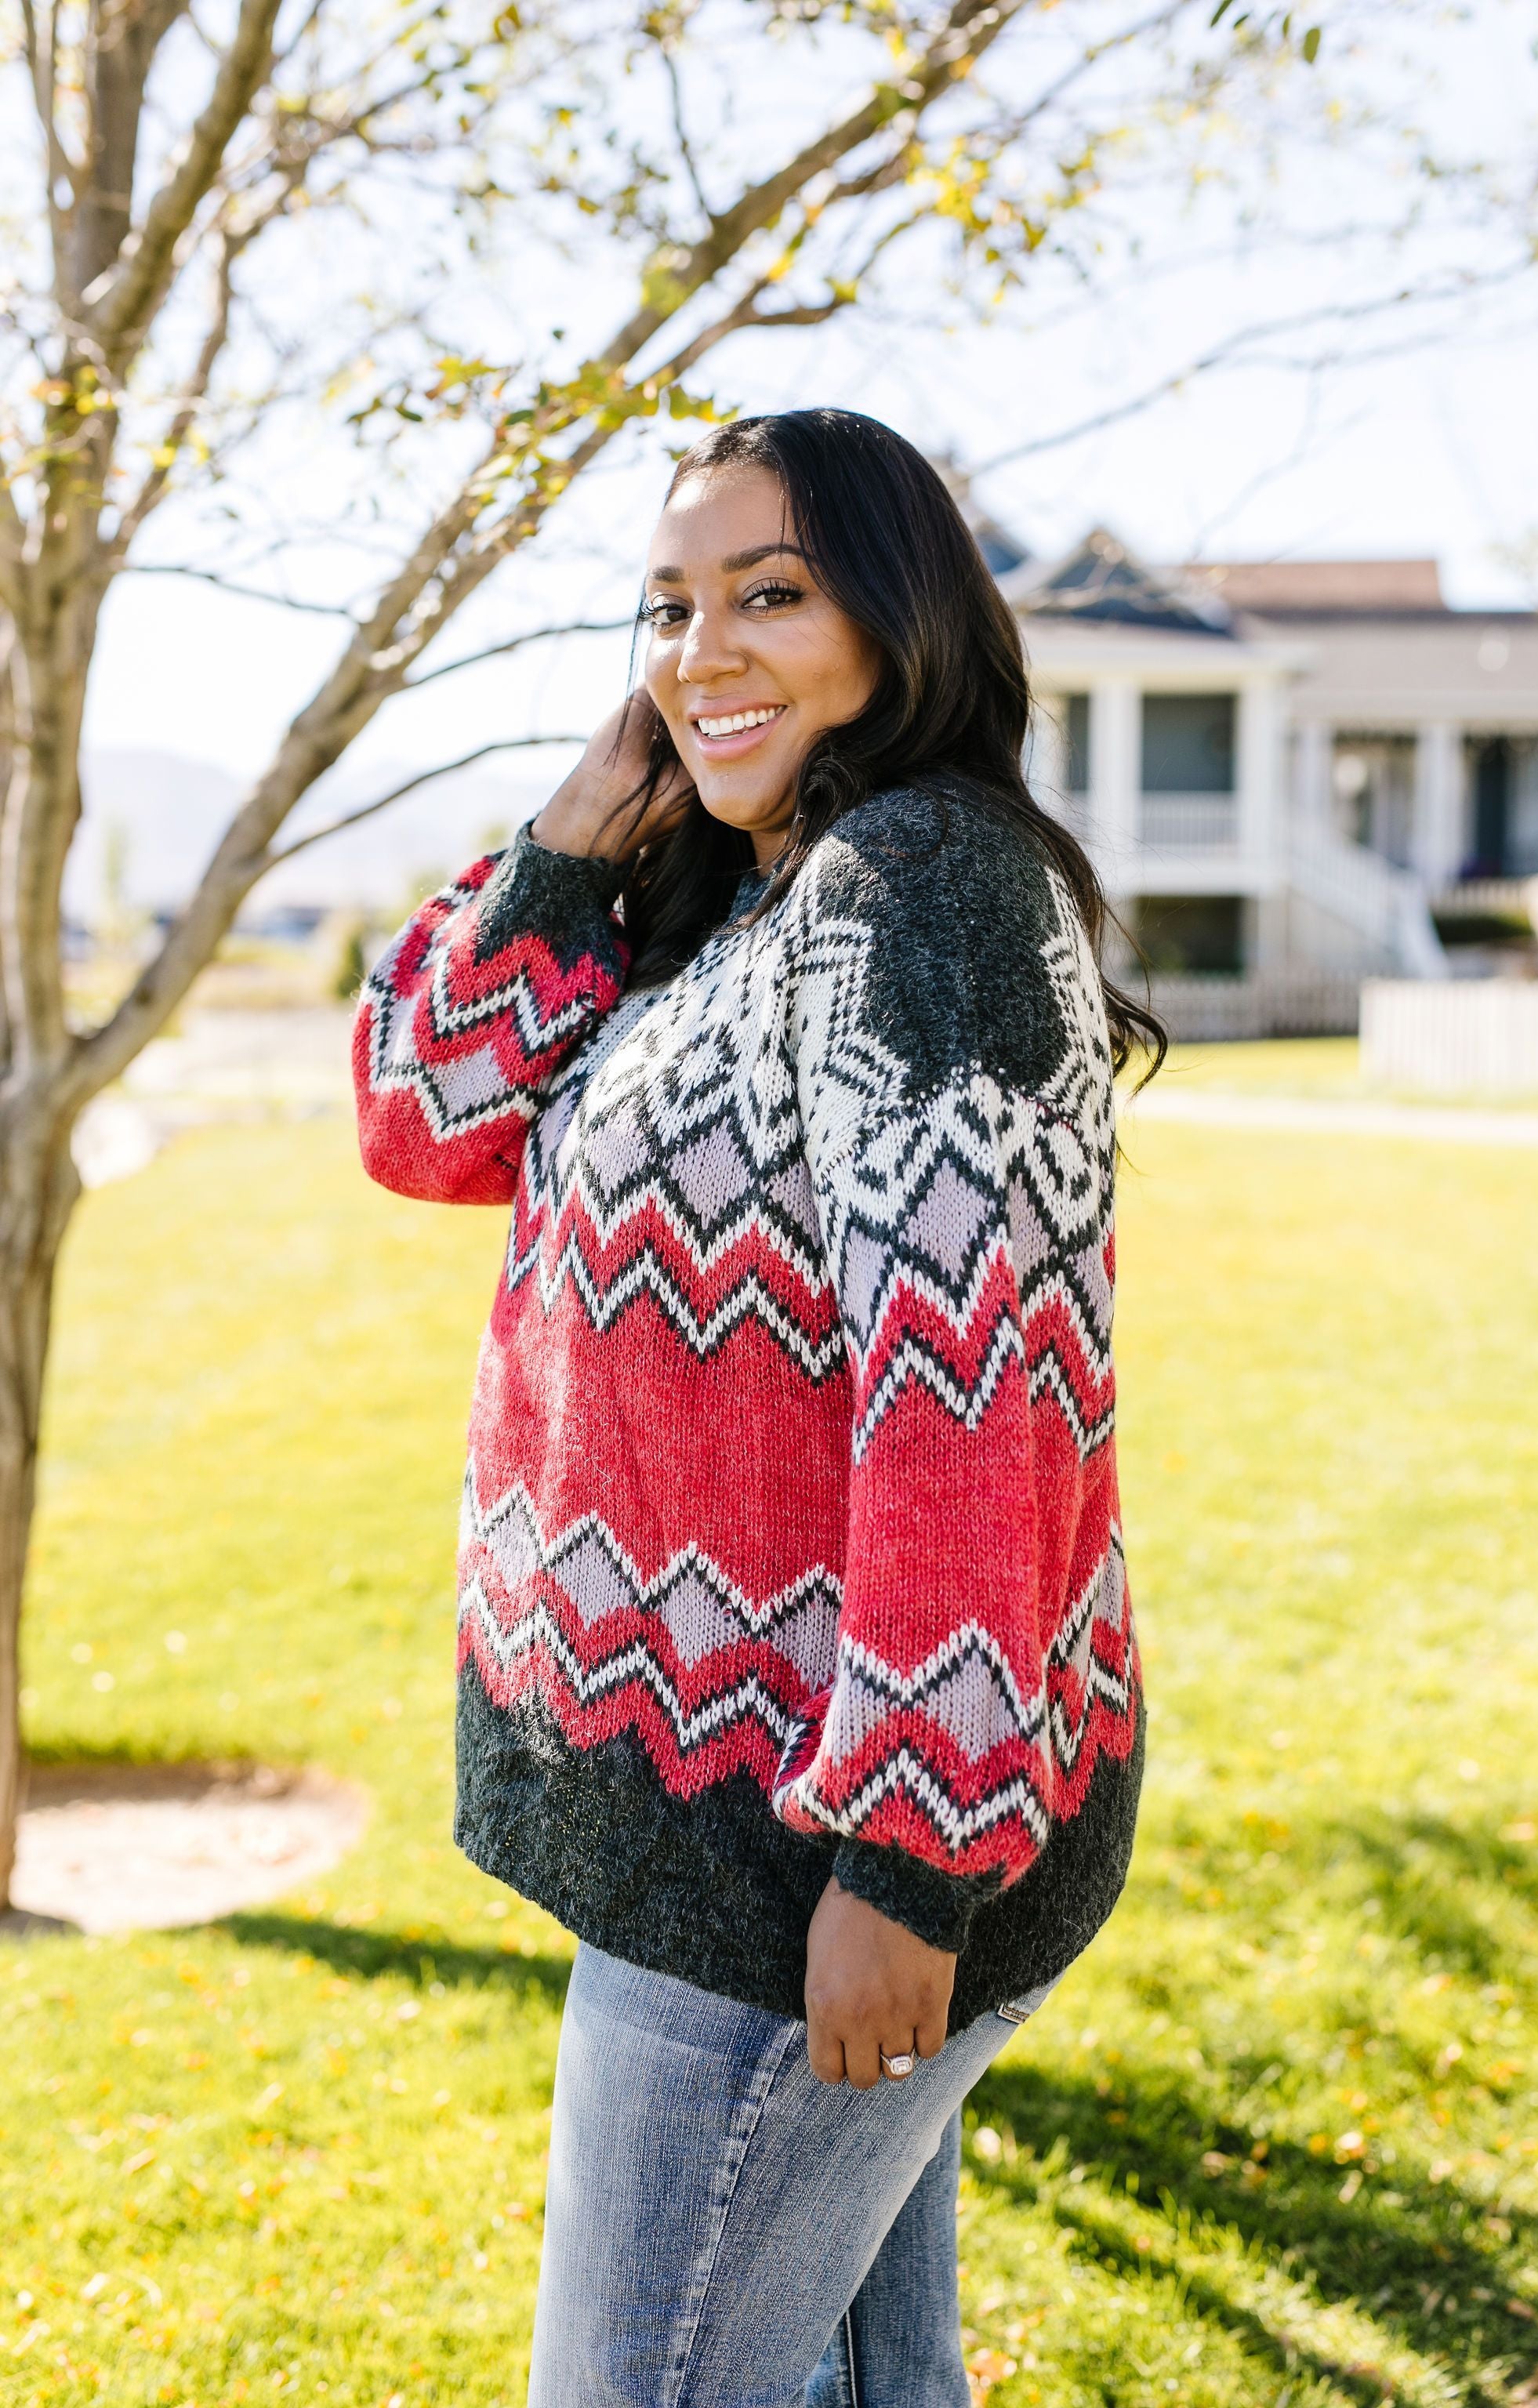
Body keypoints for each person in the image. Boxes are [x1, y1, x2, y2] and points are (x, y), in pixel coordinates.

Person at [352, 408, 1160, 2407]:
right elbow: (424, 1119)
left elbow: (975, 1397)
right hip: (715, 1819)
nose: (701, 648)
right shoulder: (733, 908)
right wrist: (579, 830)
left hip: (798, 1854)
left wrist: (901, 1865)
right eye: (667, 607)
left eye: (770, 596)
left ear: (898, 618)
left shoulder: (922, 891)